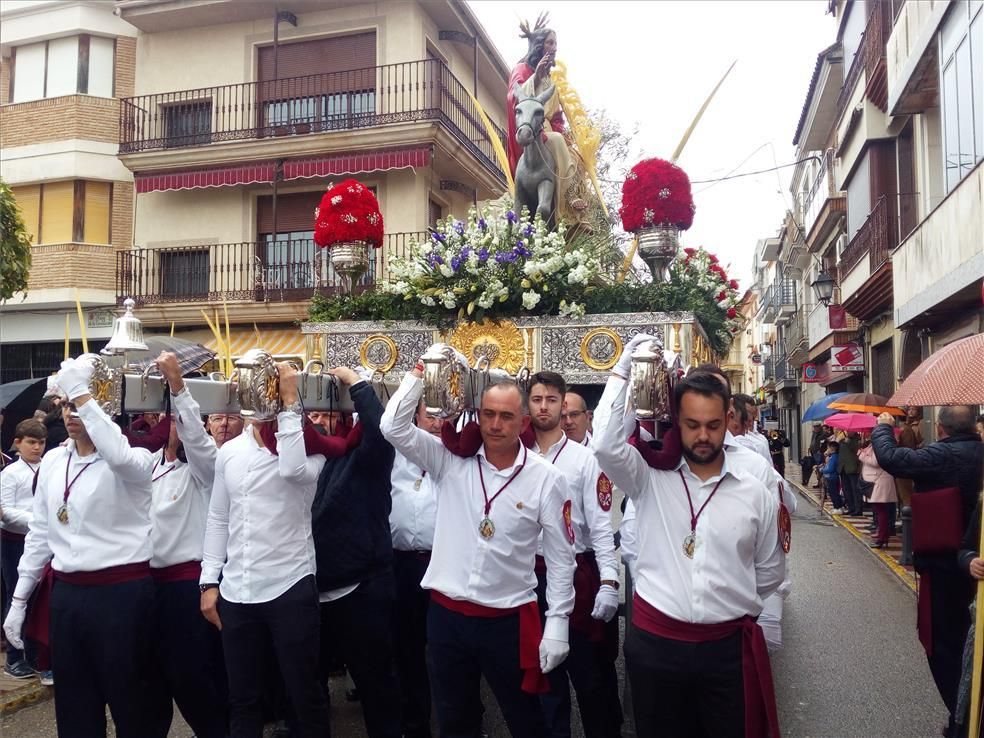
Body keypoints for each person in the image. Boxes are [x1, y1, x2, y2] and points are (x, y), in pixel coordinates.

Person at [592, 336, 785, 738]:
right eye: (692, 424)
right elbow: (606, 443)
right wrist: (625, 371)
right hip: (655, 647)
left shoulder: (754, 492)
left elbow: (767, 576)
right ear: (674, 420)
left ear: (728, 418)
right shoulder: (648, 476)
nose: (702, 436)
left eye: (713, 425)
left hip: (726, 652)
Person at [381, 359, 575, 738]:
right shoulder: (449, 460)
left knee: (526, 720)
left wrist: (558, 624)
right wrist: (421, 373)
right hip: (448, 619)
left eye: (505, 416)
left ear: (523, 421)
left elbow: (560, 559)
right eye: (488, 414)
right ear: (478, 415)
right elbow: (392, 427)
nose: (495, 424)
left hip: (507, 621)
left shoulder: (547, 479)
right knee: (455, 720)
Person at [3, 355, 165, 737]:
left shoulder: (135, 458)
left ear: (105, 406)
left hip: (122, 594)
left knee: (132, 701)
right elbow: (42, 532)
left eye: (83, 404)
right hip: (70, 595)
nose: (73, 412)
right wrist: (19, 600)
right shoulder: (54, 461)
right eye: (68, 405)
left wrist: (80, 390)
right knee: (75, 705)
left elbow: (120, 456)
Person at [200, 362, 330, 738]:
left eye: (266, 386)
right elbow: (218, 518)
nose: (258, 396)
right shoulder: (230, 452)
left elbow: (291, 470)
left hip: (289, 583)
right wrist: (209, 581)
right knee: (242, 698)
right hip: (237, 589)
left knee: (303, 694)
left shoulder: (311, 448)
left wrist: (290, 404)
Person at [873, 406, 984, 737]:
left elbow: (891, 458)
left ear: (941, 427)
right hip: (974, 560)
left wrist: (883, 427)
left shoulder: (941, 456)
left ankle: (961, 717)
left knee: (944, 646)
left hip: (944, 568)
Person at [528, 371, 621, 738]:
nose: (545, 407)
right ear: (528, 405)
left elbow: (600, 525)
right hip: (530, 576)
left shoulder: (585, 459)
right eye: (537, 400)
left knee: (589, 676)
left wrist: (609, 580)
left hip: (577, 573)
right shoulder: (517, 455)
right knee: (543, 676)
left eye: (552, 400)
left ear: (562, 402)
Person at [310, 366, 402, 738]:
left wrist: (357, 385)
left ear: (344, 418)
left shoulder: (366, 457)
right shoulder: (306, 459)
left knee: (374, 683)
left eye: (324, 414)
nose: (315, 422)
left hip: (361, 588)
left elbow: (381, 434)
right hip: (312, 589)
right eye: (310, 414)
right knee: (309, 686)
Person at [150, 352, 238, 738]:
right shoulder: (143, 465)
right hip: (142, 589)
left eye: (182, 420)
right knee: (149, 686)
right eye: (167, 416)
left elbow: (200, 446)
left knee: (196, 683)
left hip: (187, 588)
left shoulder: (206, 468)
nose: (176, 426)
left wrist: (179, 387)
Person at [390, 400, 443, 738]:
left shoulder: (452, 455)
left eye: (442, 416)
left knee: (446, 650)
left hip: (441, 564)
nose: (437, 424)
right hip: (401, 566)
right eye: (430, 416)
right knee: (406, 650)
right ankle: (416, 724)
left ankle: (466, 718)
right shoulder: (393, 454)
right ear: (415, 418)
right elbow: (389, 422)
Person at [0, 419, 46, 679]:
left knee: (39, 598)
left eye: (40, 442)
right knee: (16, 595)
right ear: (18, 443)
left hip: (42, 541)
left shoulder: (48, 468)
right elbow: (5, 512)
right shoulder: (10, 474)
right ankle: (14, 659)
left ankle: (34, 653)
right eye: (31, 442)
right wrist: (38, 520)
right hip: (15, 541)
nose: (36, 448)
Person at [857, 441, 896, 549]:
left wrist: (862, 455)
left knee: (881, 510)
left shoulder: (880, 445)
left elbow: (875, 462)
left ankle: (882, 537)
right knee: (880, 510)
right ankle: (882, 534)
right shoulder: (874, 445)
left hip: (879, 481)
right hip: (875, 481)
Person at [836, 431, 863, 516]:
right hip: (843, 468)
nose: (848, 431)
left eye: (850, 430)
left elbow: (857, 450)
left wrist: (849, 442)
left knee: (855, 490)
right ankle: (851, 507)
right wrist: (838, 440)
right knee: (846, 489)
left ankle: (858, 509)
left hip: (852, 468)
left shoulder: (857, 439)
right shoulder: (842, 438)